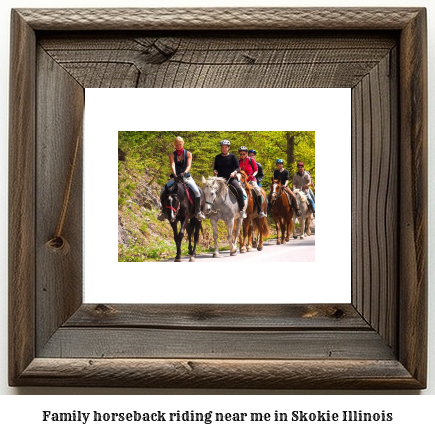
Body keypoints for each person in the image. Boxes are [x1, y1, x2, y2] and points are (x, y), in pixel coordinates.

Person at [157, 136, 205, 221]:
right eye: (177, 145)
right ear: (174, 145)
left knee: (197, 192)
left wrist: (184, 173)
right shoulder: (172, 155)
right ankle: (164, 211)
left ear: (183, 144)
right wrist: (175, 174)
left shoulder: (188, 154)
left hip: (186, 177)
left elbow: (189, 165)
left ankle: (198, 212)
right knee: (163, 190)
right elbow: (173, 165)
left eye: (180, 144)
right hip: (176, 177)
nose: (179, 146)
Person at [213, 139, 247, 218]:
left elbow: (238, 168)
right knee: (210, 190)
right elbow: (215, 168)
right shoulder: (217, 157)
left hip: (230, 178)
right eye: (222, 147)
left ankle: (242, 209)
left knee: (239, 189)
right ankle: (209, 209)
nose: (224, 149)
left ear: (228, 148)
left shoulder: (233, 156)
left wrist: (234, 172)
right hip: (220, 179)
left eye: (225, 147)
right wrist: (215, 171)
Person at [239, 146, 266, 218]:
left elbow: (256, 170)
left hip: (251, 179)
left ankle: (260, 210)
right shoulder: (239, 162)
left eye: (244, 154)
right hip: (243, 180)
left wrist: (252, 175)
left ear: (246, 154)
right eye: (241, 154)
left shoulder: (251, 160)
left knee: (257, 191)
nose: (242, 155)